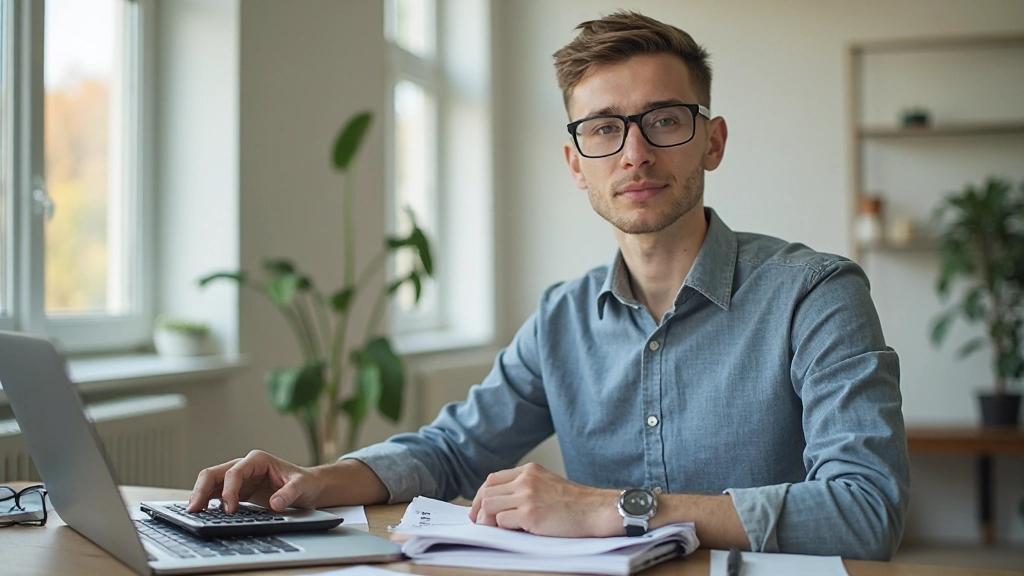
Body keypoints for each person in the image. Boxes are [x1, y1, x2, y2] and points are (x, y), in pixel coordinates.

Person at [189, 11, 909, 560]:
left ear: (712, 140)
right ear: (575, 162)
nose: (635, 152)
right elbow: (450, 452)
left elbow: (867, 508)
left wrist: (615, 508)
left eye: (664, 120)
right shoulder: (563, 317)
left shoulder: (817, 294)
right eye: (604, 129)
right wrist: (314, 480)